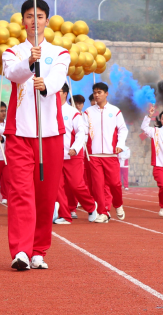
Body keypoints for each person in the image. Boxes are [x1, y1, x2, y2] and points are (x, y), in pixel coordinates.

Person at [1, 0, 70, 271]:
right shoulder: (12, 52)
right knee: (20, 193)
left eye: (39, 16)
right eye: (29, 16)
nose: (34, 21)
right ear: (23, 21)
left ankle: (39, 250)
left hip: (49, 134)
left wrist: (46, 85)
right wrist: (30, 62)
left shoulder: (60, 53)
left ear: (47, 21)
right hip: (19, 133)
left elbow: (59, 78)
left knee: (45, 194)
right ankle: (21, 250)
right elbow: (12, 74)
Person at [84, 82, 127, 223]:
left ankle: (118, 205)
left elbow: (123, 129)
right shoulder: (88, 112)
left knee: (115, 184)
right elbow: (83, 131)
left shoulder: (115, 111)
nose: (97, 95)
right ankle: (103, 212)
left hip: (111, 154)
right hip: (94, 155)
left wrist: (120, 144)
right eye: (95, 92)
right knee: (97, 186)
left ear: (106, 94)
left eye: (99, 92)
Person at [55, 84, 97, 225]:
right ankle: (65, 215)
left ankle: (91, 207)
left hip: (72, 154)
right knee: (57, 187)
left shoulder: (73, 113)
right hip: (55, 155)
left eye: (58, 91)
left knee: (76, 185)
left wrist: (75, 147)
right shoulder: (48, 111)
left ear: (65, 94)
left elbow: (81, 132)